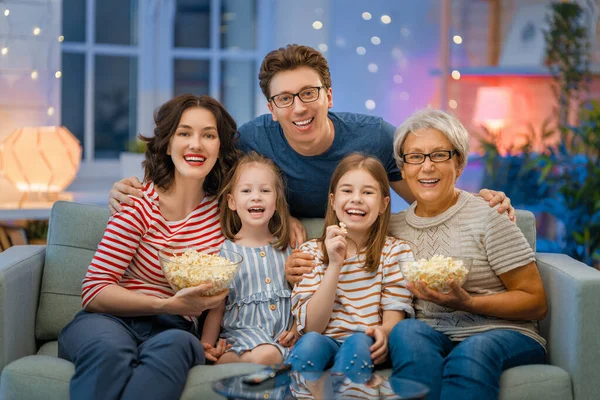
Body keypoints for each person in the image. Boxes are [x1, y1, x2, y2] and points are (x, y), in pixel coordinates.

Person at [107, 45, 515, 252]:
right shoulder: (252, 138)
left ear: (329, 95)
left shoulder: (373, 137)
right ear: (271, 107)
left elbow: (426, 192)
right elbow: (199, 174)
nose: (298, 108)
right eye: (284, 98)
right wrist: (139, 189)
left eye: (308, 93)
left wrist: (478, 204)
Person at [57, 94, 241, 400]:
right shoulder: (137, 204)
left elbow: (266, 198)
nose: (196, 144)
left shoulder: (226, 211)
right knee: (110, 350)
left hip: (173, 331)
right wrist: (167, 305)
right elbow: (94, 290)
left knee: (180, 346)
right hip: (108, 321)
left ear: (220, 147)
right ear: (168, 145)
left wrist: (292, 223)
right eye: (184, 133)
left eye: (208, 135)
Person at [386, 108, 548, 400]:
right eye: (415, 156)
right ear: (403, 167)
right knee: (405, 333)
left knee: (473, 352)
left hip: (503, 333)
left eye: (439, 155)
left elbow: (535, 303)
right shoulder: (393, 228)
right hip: (431, 332)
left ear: (458, 163)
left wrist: (469, 302)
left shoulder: (490, 215)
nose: (426, 167)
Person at [287, 154, 414, 377]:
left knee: (357, 344)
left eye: (367, 192)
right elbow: (311, 328)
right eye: (347, 191)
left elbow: (393, 320)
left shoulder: (396, 252)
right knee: (309, 344)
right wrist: (335, 264)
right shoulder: (310, 253)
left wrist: (384, 332)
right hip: (322, 339)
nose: (356, 199)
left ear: (384, 204)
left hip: (364, 342)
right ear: (333, 201)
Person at [215, 151, 300, 365]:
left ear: (276, 200)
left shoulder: (288, 248)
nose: (256, 196)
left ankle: (240, 362)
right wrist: (207, 345)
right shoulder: (225, 253)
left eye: (265, 190)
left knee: (274, 354)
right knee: (267, 355)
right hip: (241, 335)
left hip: (282, 338)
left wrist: (297, 328)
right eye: (246, 190)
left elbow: (303, 296)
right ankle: (231, 359)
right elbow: (217, 305)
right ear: (232, 202)